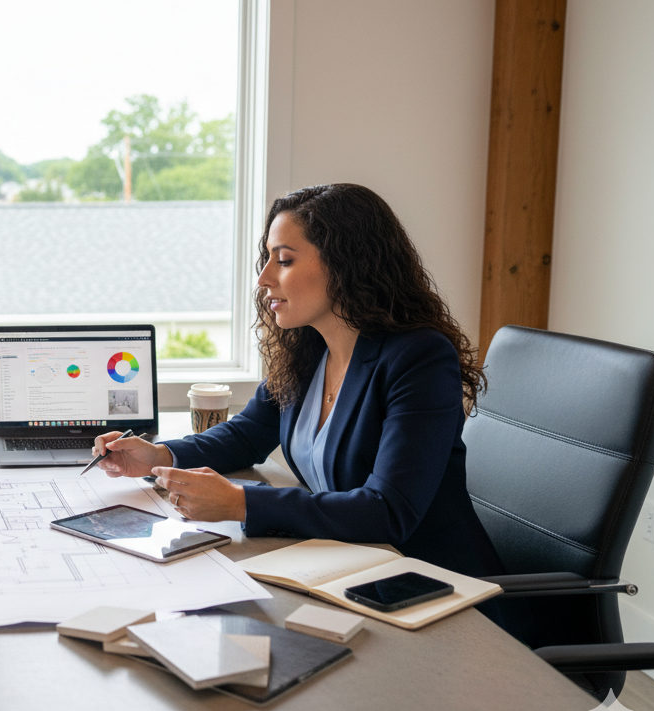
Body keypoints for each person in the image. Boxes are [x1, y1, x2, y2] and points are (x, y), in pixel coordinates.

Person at [93, 183, 506, 581]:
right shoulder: (308, 349)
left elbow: (387, 511)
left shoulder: (420, 358)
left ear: (346, 265)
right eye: (268, 259)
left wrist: (241, 502)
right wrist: (160, 455)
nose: (264, 278)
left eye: (285, 260)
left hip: (432, 583)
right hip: (346, 565)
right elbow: (248, 433)